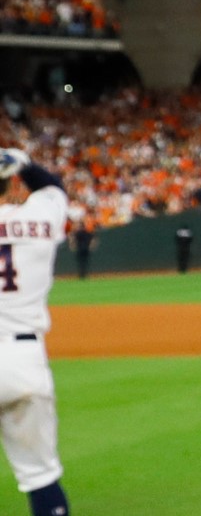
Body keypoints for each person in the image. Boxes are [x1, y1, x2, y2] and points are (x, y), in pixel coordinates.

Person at [0, 148, 73, 516]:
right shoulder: (42, 214)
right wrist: (20, 159)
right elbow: (54, 186)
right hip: (23, 361)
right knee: (40, 476)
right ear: (14, 181)